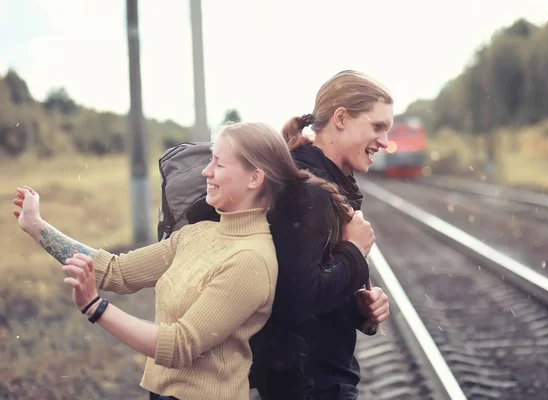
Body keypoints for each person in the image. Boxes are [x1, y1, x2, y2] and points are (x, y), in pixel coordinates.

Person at [12, 122, 359, 400]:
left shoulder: (251, 260)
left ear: (255, 178)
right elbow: (115, 272)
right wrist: (37, 227)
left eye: (218, 164)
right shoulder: (196, 235)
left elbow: (180, 346)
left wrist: (94, 307)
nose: (206, 172)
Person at [250, 70, 393, 400]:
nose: (385, 141)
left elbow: (307, 280)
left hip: (311, 378)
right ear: (341, 118)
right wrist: (355, 252)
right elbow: (297, 301)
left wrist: (360, 309)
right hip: (308, 385)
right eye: (377, 127)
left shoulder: (322, 182)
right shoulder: (307, 190)